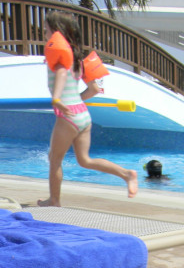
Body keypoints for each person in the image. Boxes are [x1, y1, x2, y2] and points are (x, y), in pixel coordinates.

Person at [38, 11, 137, 206]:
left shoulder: (59, 57)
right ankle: (127, 174)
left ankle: (54, 200)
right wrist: (74, 101)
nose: (45, 33)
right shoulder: (78, 60)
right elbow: (93, 90)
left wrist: (57, 98)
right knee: (85, 160)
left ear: (57, 31)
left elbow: (61, 74)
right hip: (82, 114)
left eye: (46, 30)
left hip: (68, 117)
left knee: (54, 159)